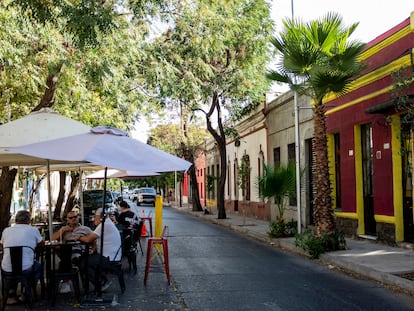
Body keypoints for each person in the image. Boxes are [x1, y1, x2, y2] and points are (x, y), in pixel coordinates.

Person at [0, 210, 44, 305]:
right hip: (25, 269)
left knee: (13, 265)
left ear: (15, 220)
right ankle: (26, 293)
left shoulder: (6, 230)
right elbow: (41, 244)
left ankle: (11, 295)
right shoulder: (33, 230)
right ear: (29, 220)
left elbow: (1, 245)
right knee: (38, 266)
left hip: (6, 269)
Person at [75, 208, 121, 292]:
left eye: (95, 217)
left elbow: (88, 239)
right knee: (86, 260)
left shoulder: (104, 225)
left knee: (83, 264)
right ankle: (100, 281)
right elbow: (97, 239)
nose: (94, 219)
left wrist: (79, 237)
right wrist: (94, 248)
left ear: (101, 217)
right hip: (111, 255)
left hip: (109, 257)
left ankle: (102, 282)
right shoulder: (107, 223)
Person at [50, 210, 93, 293]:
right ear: (67, 220)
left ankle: (64, 283)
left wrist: (93, 249)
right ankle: (61, 282)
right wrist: (62, 232)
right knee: (61, 257)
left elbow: (93, 239)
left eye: (75, 217)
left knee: (64, 260)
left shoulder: (85, 229)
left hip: (80, 250)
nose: (73, 219)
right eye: (71, 218)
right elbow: (52, 239)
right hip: (66, 251)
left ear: (78, 217)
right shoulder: (63, 229)